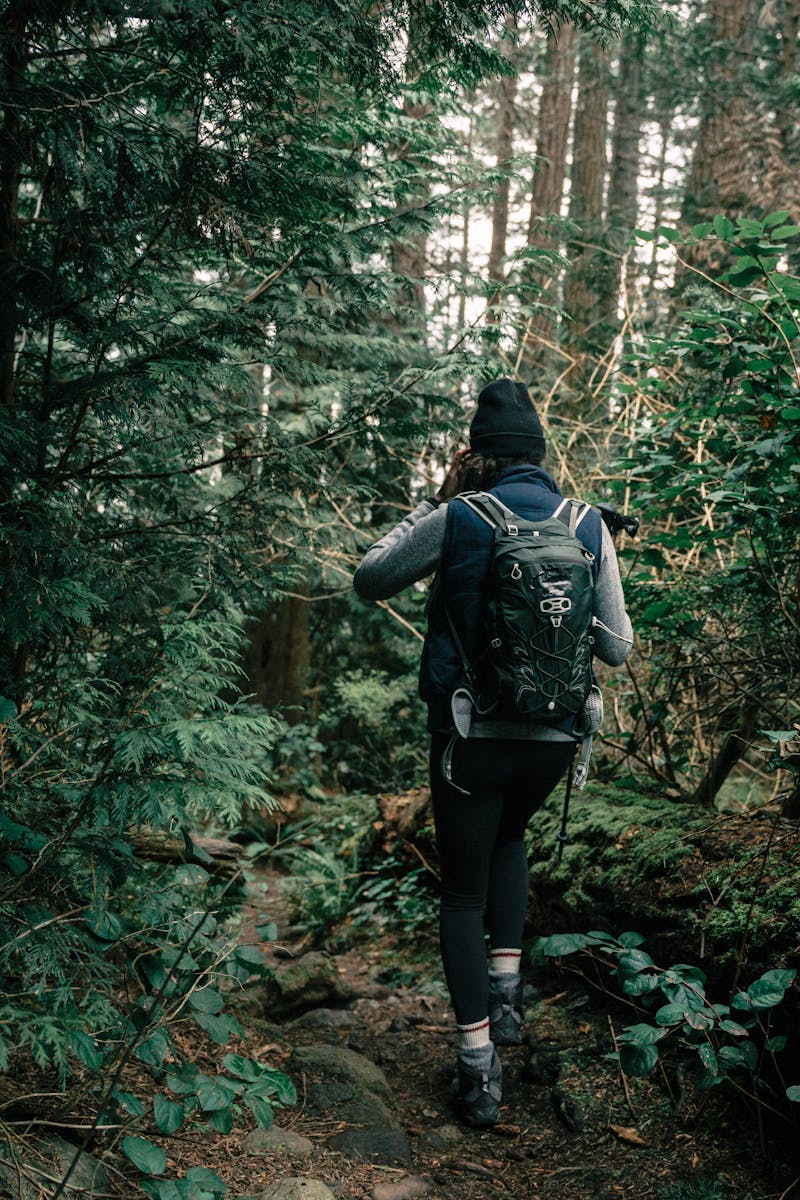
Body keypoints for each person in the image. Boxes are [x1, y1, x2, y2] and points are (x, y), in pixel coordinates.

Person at [353, 378, 633, 1128]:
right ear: (541, 454)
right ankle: (507, 1005)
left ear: (479, 456)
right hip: (553, 741)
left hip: (470, 738)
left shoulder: (458, 517)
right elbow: (618, 648)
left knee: (461, 893)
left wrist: (436, 500)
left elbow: (369, 578)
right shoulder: (587, 523)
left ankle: (479, 1069)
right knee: (513, 841)